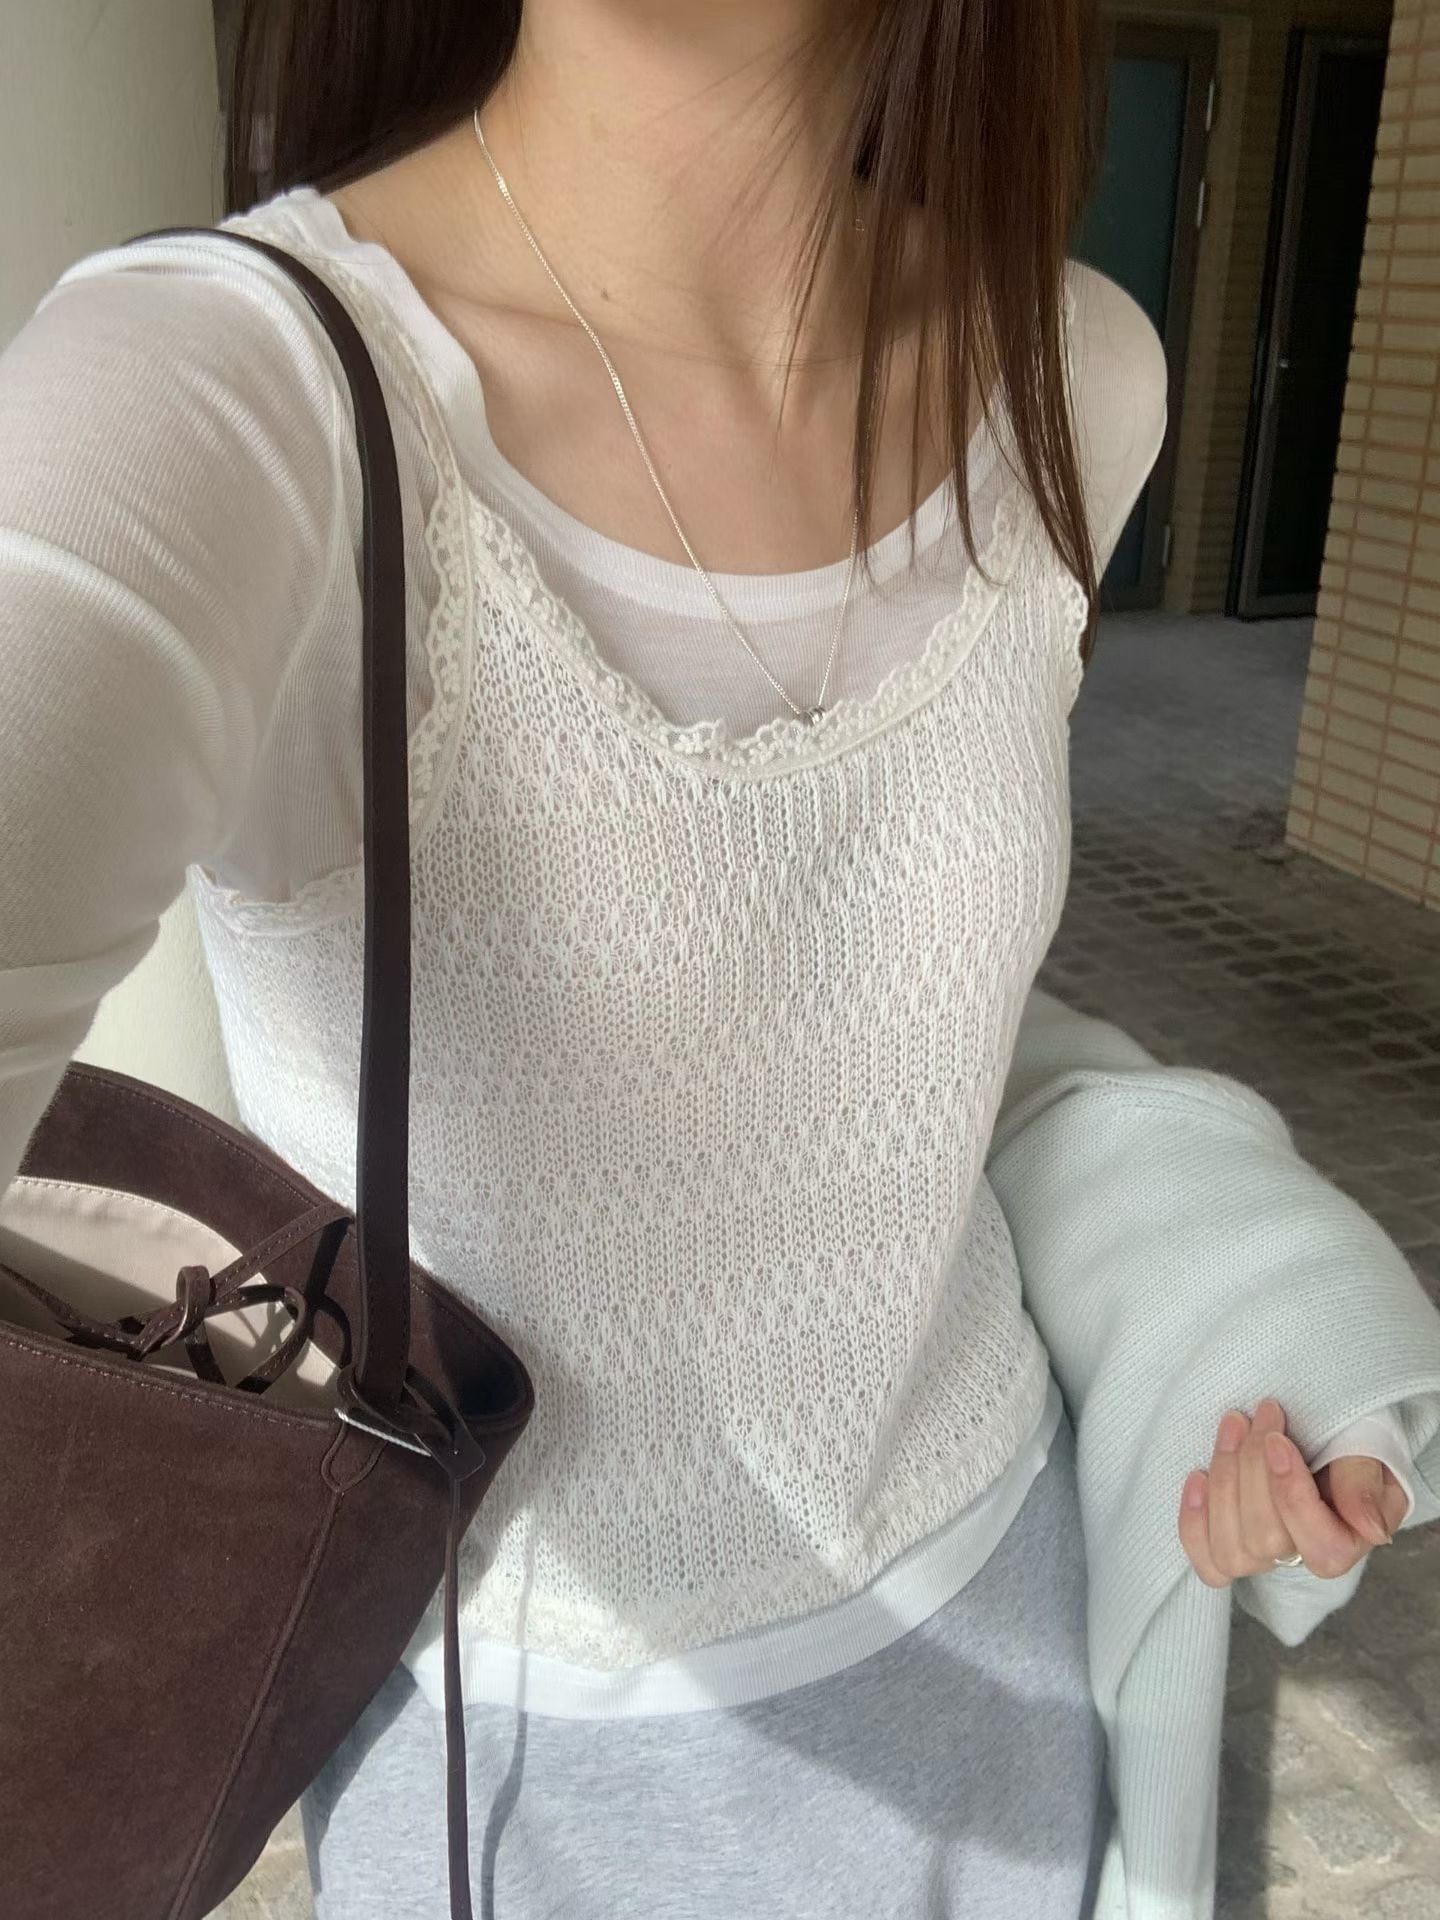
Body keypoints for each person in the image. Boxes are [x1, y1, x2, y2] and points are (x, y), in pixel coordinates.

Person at [0, 3, 1415, 1915]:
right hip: (518, 1762)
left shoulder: (1078, 372)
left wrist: (1260, 1307)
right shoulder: (217, 395)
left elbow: (928, 1054)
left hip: (1004, 1625)